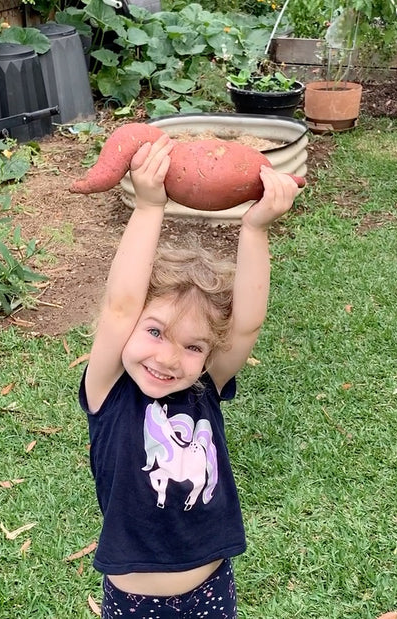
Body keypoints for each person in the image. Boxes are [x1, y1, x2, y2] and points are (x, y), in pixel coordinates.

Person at [79, 132, 301, 618]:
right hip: (132, 602)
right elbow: (120, 306)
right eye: (155, 332)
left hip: (210, 589)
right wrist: (148, 208)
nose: (168, 358)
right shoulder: (108, 389)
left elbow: (246, 325)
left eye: (193, 346)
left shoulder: (205, 389)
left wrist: (255, 230)